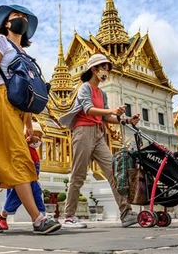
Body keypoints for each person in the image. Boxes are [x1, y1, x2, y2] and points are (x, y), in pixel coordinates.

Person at [0, 4, 61, 235]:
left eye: (24, 18)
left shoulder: (25, 53)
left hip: (18, 109)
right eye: (17, 16)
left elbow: (27, 93)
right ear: (6, 22)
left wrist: (28, 124)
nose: (22, 20)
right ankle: (37, 219)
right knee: (19, 157)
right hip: (0, 103)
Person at [59, 54, 141, 228]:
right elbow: (88, 110)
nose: (106, 72)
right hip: (83, 132)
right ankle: (69, 216)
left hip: (98, 133)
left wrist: (125, 120)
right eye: (103, 68)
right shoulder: (85, 88)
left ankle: (126, 213)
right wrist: (111, 110)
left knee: (113, 173)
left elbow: (105, 118)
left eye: (107, 68)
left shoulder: (102, 94)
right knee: (79, 174)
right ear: (94, 70)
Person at [0, 121, 47, 230]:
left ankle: (42, 216)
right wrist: (27, 141)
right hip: (21, 177)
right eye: (35, 135)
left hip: (33, 178)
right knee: (15, 197)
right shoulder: (22, 145)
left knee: (37, 194)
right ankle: (2, 216)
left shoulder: (34, 151)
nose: (37, 139)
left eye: (39, 136)